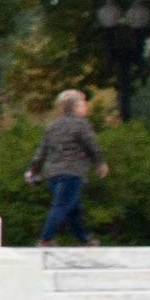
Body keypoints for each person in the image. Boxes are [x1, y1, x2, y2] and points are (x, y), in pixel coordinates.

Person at [30, 88, 107, 247]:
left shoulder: (53, 126)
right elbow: (92, 145)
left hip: (52, 174)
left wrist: (34, 170)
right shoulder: (80, 124)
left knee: (73, 208)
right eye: (83, 103)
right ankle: (46, 239)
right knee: (62, 206)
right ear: (75, 107)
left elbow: (41, 152)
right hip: (72, 172)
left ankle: (84, 239)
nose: (86, 106)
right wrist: (99, 163)